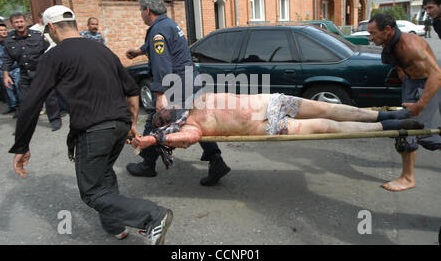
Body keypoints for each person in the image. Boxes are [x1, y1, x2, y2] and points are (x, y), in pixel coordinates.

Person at [10, 5, 173, 244]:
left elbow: (31, 103)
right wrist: (131, 124)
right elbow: (131, 90)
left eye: (48, 31)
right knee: (104, 174)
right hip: (118, 126)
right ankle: (114, 226)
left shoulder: (54, 56)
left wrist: (21, 146)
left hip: (94, 130)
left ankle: (153, 216)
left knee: (92, 192)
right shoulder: (103, 50)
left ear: (52, 28)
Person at [125, 0, 231, 186]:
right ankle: (216, 160)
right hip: (192, 81)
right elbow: (166, 46)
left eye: (141, 10)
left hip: (179, 85)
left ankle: (148, 164)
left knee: (154, 121)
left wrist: (160, 95)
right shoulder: (169, 25)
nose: (141, 13)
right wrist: (139, 51)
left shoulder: (157, 31)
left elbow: (162, 66)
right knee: (196, 121)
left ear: (147, 10)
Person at [129, 92, 423, 153]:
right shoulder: (190, 127)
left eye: (163, 111)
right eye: (161, 116)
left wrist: (160, 101)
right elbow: (188, 140)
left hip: (272, 102)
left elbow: (164, 98)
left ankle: (386, 115)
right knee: (326, 126)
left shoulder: (192, 102)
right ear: (166, 124)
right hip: (270, 125)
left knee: (330, 109)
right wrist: (152, 140)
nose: (164, 111)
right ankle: (386, 128)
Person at [367, 13, 441, 192]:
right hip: (411, 83)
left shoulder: (411, 46)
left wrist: (420, 104)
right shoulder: (390, 43)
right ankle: (407, 176)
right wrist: (401, 71)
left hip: (426, 84)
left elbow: (437, 75)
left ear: (388, 30)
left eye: (373, 33)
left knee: (418, 132)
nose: (370, 38)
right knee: (408, 130)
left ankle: (408, 178)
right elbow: (397, 61)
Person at [0, 22, 20, 114]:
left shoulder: (12, 41)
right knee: (8, 91)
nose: (3, 32)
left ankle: (21, 108)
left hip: (15, 69)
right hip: (2, 71)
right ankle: (13, 107)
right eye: (1, 30)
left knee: (18, 88)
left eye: (4, 30)